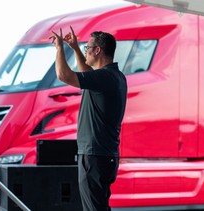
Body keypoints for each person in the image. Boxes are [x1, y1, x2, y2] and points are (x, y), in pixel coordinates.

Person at [50, 26, 127, 211]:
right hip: (103, 155)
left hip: (95, 155)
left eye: (87, 48)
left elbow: (63, 75)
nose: (86, 51)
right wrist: (76, 48)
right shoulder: (114, 76)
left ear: (98, 50)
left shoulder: (105, 77)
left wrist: (60, 48)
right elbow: (88, 74)